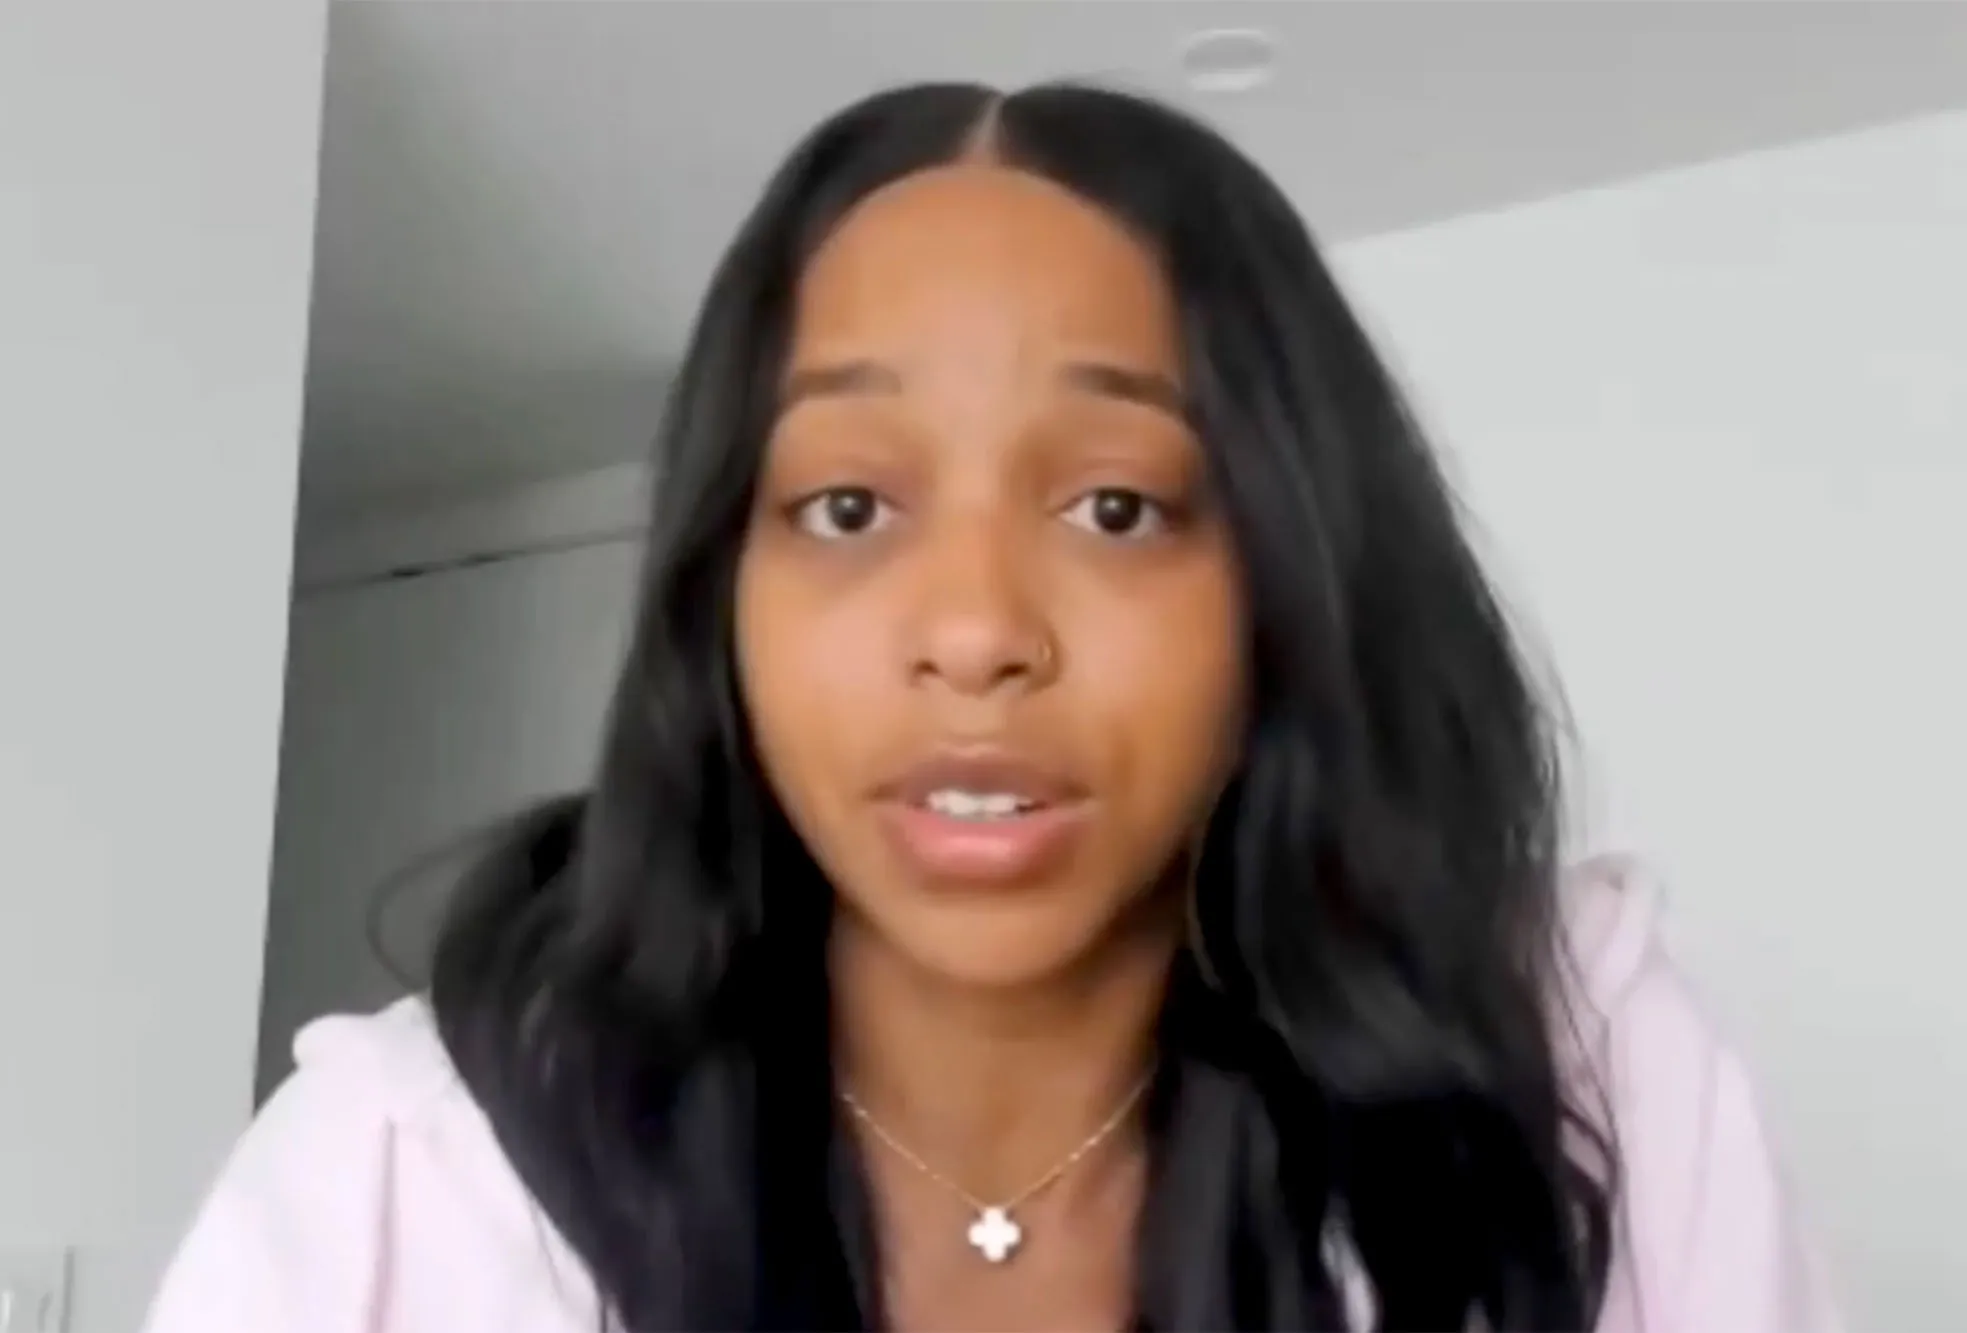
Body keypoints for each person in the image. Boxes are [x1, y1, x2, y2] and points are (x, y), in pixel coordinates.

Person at [143, 82, 1839, 1332]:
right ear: (719, 593)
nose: (972, 635)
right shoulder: (409, 1180)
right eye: (847, 508)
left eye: (1116, 508)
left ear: (1286, 585)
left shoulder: (1574, 1075)